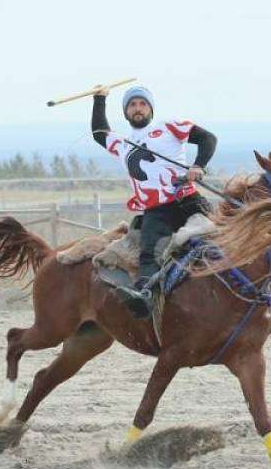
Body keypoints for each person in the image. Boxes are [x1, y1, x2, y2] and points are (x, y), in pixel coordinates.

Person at [91, 85, 217, 317]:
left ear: (150, 109)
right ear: (126, 112)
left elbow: (207, 138)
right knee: (149, 255)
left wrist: (198, 166)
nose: (137, 109)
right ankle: (144, 297)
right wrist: (99, 98)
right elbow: (99, 133)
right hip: (156, 211)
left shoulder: (169, 126)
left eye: (142, 104)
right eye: (132, 105)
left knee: (222, 241)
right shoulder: (122, 145)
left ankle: (258, 299)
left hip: (187, 200)